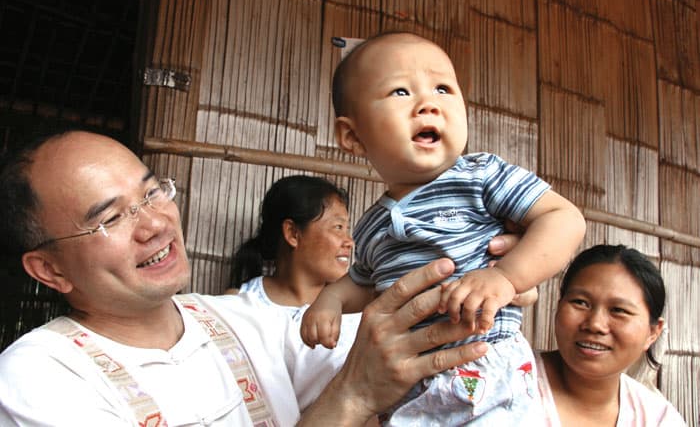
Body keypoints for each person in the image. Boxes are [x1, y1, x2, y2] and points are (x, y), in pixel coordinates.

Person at [0, 130, 493, 426]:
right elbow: (358, 384)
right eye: (110, 218)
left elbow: (380, 357)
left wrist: (474, 275)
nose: (155, 224)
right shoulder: (36, 377)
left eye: (152, 194)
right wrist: (354, 397)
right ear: (50, 269)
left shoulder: (242, 321)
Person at [300, 31, 587, 425]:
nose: (428, 104)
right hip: (406, 386)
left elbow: (563, 218)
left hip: (486, 368)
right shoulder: (371, 225)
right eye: (401, 92)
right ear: (352, 136)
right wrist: (331, 300)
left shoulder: (482, 175)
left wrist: (505, 276)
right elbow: (363, 283)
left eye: (442, 88)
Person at [229, 174, 362, 410]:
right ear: (293, 233)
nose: (349, 241)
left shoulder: (356, 311)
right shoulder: (238, 306)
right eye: (338, 227)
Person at [535, 244, 687, 426]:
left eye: (618, 310)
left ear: (653, 333)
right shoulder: (507, 378)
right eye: (580, 302)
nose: (595, 324)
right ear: (559, 306)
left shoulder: (658, 419)